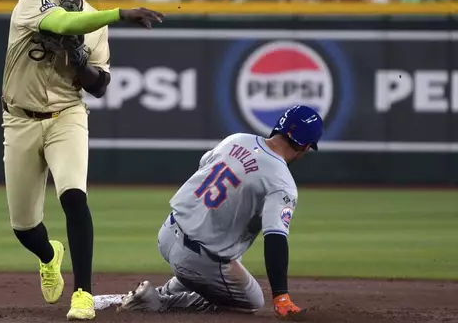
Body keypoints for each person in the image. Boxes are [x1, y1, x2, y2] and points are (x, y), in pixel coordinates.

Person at [1, 0, 163, 321]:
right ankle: (48, 255)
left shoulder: (94, 23)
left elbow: (100, 86)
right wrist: (119, 12)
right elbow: (61, 22)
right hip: (20, 118)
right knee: (24, 227)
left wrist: (76, 59)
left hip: (67, 117)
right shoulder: (32, 2)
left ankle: (83, 295)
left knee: (74, 197)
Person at [117, 105, 323, 319]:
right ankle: (160, 301)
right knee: (252, 301)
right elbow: (275, 238)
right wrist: (281, 296)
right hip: (195, 260)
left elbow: (203, 168)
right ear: (306, 146)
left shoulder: (237, 139)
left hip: (167, 234)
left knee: (230, 255)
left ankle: (172, 287)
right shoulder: (282, 182)